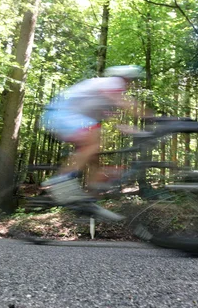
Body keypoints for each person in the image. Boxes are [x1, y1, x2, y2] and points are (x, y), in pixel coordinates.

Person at [41, 65, 150, 207]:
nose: (130, 84)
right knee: (93, 143)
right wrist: (154, 117)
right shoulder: (114, 82)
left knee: (93, 157)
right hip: (62, 113)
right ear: (126, 78)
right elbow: (127, 103)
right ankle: (62, 181)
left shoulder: (102, 93)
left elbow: (113, 117)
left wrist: (131, 129)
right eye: (131, 80)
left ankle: (91, 196)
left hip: (63, 116)